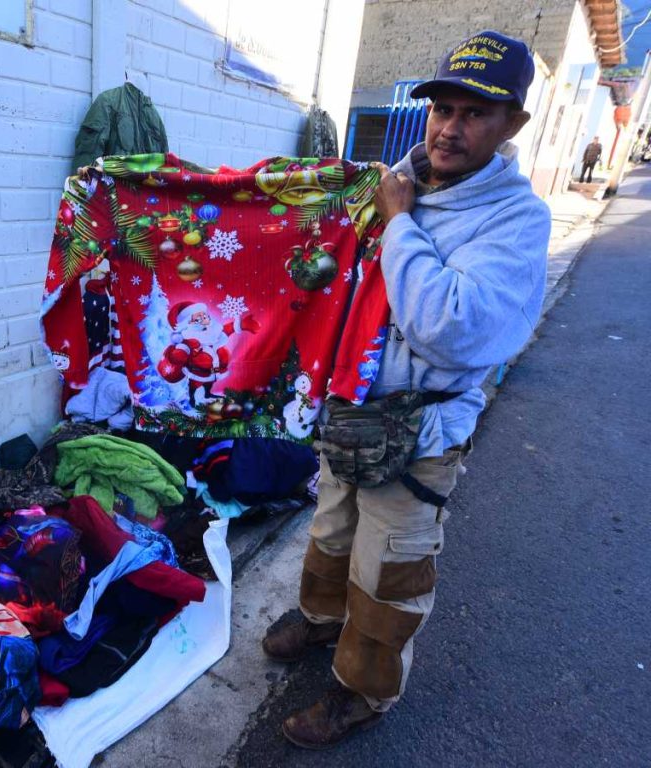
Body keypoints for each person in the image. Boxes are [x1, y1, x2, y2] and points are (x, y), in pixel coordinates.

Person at [261, 30, 551, 749]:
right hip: (351, 415)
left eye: (474, 113)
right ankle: (323, 621)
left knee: (388, 570)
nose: (450, 127)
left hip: (418, 436)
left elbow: (451, 327)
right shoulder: (397, 181)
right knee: (329, 533)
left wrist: (397, 225)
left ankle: (362, 690)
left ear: (511, 123)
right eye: (442, 108)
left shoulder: (515, 219)